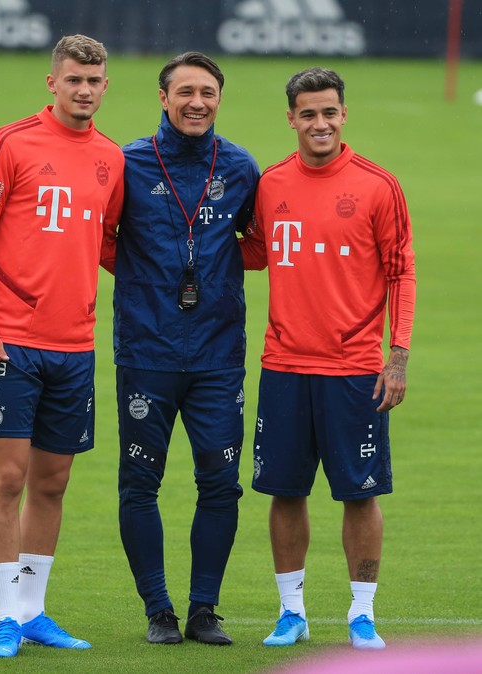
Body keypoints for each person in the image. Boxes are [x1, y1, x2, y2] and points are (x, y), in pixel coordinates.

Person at [242, 67, 416, 650]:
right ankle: (291, 612)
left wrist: (398, 355)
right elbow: (253, 254)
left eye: (330, 112)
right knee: (285, 491)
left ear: (344, 115)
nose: (320, 123)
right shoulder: (269, 185)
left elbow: (402, 272)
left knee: (360, 493)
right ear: (290, 118)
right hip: (285, 366)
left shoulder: (378, 185)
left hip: (355, 370)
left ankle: (361, 613)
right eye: (308, 113)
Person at [0, 34, 124, 657]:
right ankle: (4, 615)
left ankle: (32, 611)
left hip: (74, 346)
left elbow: (109, 244)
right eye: (73, 79)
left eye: (95, 80)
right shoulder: (11, 143)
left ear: (106, 86)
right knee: (7, 478)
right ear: (51, 83)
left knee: (52, 484)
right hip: (10, 342)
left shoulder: (112, 158)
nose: (84, 89)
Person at [100, 52, 259, 645]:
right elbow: (101, 237)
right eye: (186, 91)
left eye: (209, 93)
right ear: (163, 98)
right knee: (140, 482)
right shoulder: (127, 163)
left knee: (220, 483)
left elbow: (260, 243)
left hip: (219, 355)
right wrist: (147, 278)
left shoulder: (241, 167)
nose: (198, 102)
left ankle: (203, 610)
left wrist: (208, 270)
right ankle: (158, 611)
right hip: (147, 351)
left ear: (220, 100)